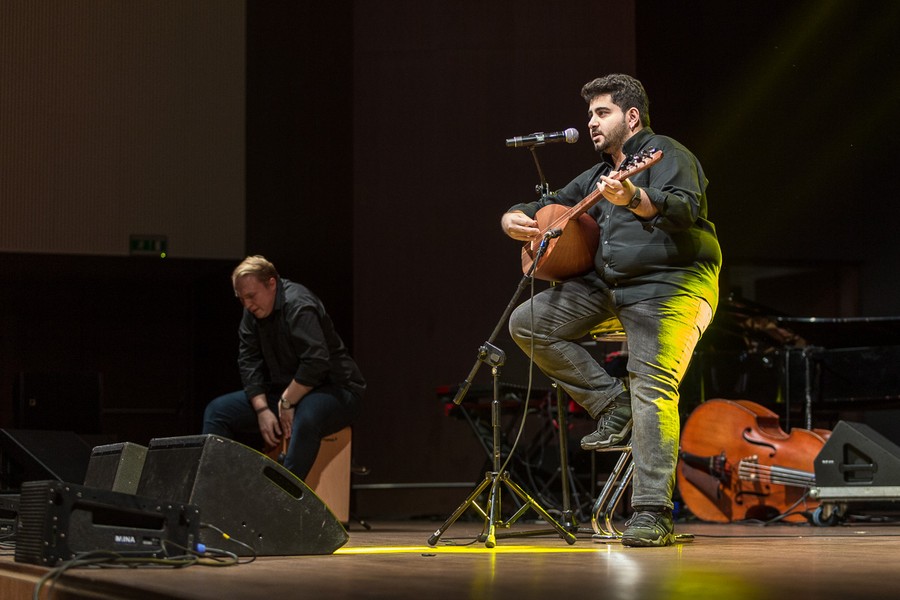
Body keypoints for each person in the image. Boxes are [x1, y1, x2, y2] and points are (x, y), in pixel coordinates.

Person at [501, 74, 721, 547]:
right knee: (529, 322)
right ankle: (611, 404)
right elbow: (549, 203)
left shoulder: (668, 153)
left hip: (671, 285)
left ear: (632, 116)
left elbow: (684, 210)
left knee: (652, 381)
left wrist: (636, 198)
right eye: (590, 115)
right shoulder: (597, 174)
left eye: (602, 113)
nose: (592, 123)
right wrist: (512, 218)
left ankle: (651, 512)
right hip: (612, 287)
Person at [202, 255, 364, 481]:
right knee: (217, 412)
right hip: (287, 393)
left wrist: (288, 401)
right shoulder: (252, 311)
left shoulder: (298, 305)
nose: (247, 304)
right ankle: (215, 491)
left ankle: (280, 498)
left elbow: (316, 361)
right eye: (241, 299)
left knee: (307, 415)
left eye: (251, 296)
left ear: (271, 283)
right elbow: (248, 360)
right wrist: (261, 410)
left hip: (337, 390)